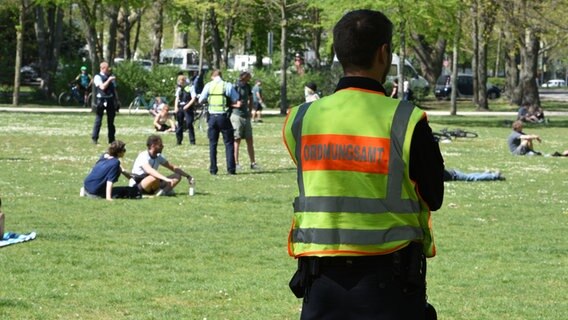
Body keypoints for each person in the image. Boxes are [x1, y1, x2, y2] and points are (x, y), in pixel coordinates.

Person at [282, 10, 444, 319]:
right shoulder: (406, 119)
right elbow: (433, 196)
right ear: (384, 53)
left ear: (338, 53)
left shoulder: (300, 119)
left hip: (320, 284)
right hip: (391, 284)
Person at [198, 70, 240, 175]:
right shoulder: (227, 85)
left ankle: (213, 169)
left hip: (212, 117)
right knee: (229, 143)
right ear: (221, 76)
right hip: (223, 116)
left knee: (213, 144)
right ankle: (231, 169)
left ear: (213, 76)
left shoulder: (208, 85)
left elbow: (200, 100)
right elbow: (236, 98)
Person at [129, 135, 193, 196]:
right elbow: (149, 170)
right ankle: (164, 190)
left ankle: (162, 192)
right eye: (160, 145)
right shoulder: (143, 156)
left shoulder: (158, 157)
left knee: (177, 176)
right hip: (139, 184)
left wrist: (188, 176)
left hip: (153, 183)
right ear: (153, 145)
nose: (163, 146)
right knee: (154, 177)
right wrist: (166, 179)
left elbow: (173, 167)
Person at [232, 71, 259, 170]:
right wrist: (235, 105)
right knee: (237, 139)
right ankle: (236, 163)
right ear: (244, 77)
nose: (249, 79)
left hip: (246, 116)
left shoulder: (248, 86)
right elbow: (228, 100)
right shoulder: (235, 86)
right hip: (237, 115)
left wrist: (250, 109)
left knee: (249, 139)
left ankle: (253, 163)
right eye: (248, 77)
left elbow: (251, 98)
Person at [91, 61, 118, 145]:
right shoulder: (97, 77)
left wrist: (117, 100)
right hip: (101, 100)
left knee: (111, 121)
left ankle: (111, 140)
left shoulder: (110, 77)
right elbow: (102, 87)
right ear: (102, 68)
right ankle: (95, 138)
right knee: (98, 120)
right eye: (107, 69)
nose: (108, 70)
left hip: (110, 100)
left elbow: (114, 90)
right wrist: (109, 80)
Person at [174, 74, 197, 145]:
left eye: (181, 81)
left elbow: (193, 98)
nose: (180, 83)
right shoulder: (179, 88)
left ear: (184, 81)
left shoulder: (190, 87)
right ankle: (179, 140)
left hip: (188, 108)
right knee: (179, 124)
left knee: (189, 123)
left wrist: (187, 106)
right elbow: (177, 98)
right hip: (180, 108)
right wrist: (175, 107)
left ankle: (192, 141)